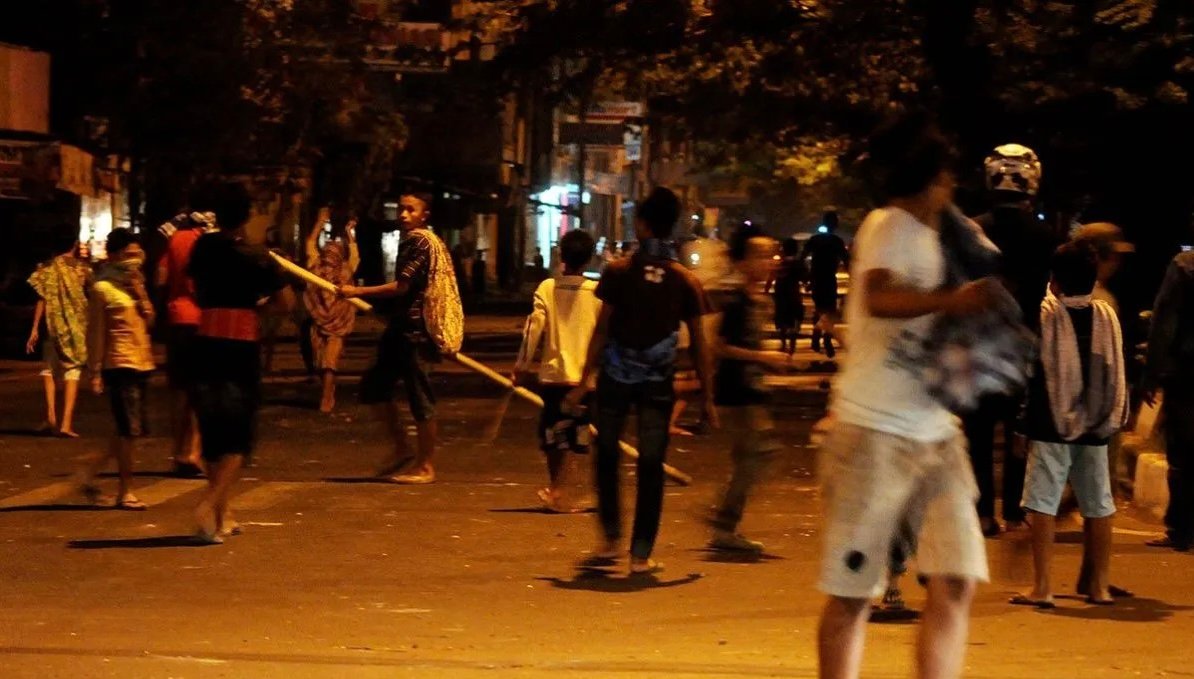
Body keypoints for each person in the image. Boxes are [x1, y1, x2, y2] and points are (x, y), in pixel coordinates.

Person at [818, 114, 993, 679]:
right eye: (947, 176)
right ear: (932, 177)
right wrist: (950, 301)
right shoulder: (888, 225)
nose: (952, 187)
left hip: (935, 431)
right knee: (854, 591)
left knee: (957, 577)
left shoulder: (939, 236)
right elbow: (879, 297)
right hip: (873, 432)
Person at [565, 187, 716, 575]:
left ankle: (610, 538)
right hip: (656, 383)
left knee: (607, 454)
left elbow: (602, 330)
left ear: (642, 224)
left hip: (615, 377)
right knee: (651, 464)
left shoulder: (618, 272)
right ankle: (640, 553)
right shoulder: (685, 280)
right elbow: (700, 344)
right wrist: (708, 399)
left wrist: (583, 381)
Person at [1011, 243, 1128, 608]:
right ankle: (1100, 586)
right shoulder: (1106, 316)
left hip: (1051, 424)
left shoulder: (1045, 316)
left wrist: (1021, 427)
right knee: (1098, 504)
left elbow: (1031, 375)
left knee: (1042, 503)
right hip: (1097, 423)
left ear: (1054, 281)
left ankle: (1043, 587)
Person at [188, 181, 291, 543]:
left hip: (205, 342)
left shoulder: (203, 248)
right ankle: (210, 504)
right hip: (239, 348)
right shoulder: (258, 257)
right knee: (238, 437)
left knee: (213, 430)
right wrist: (257, 307)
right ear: (247, 215)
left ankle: (222, 516)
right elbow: (286, 303)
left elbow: (195, 289)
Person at [965, 143, 1054, 537]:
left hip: (978, 345)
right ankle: (1016, 511)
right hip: (1025, 346)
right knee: (1020, 431)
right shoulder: (1044, 235)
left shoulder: (972, 229)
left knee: (979, 436)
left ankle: (983, 513)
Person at [343, 194, 443, 485]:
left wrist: (357, 292)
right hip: (400, 328)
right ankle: (402, 447)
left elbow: (402, 287)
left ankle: (425, 466)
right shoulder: (410, 239)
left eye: (411, 210)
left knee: (421, 399)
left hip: (416, 331)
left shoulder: (420, 242)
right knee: (374, 387)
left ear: (424, 214)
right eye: (401, 208)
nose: (404, 214)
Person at [707, 225, 791, 552]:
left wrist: (769, 363)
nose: (768, 261)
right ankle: (723, 521)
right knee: (758, 456)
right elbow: (719, 346)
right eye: (760, 255)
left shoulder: (760, 301)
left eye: (771, 255)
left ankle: (723, 519)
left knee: (752, 458)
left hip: (753, 391)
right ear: (741, 262)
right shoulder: (736, 302)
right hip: (736, 392)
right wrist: (762, 357)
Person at [513, 230, 602, 513]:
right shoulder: (597, 293)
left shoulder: (548, 288)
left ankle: (560, 491)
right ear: (590, 258)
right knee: (576, 436)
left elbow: (533, 329)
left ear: (561, 255)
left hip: (554, 377)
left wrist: (522, 366)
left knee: (553, 435)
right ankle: (561, 492)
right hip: (584, 381)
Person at [74, 228, 155, 509]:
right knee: (128, 431)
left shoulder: (135, 282)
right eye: (128, 254)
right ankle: (126, 491)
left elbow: (150, 320)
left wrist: (140, 293)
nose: (135, 258)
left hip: (142, 361)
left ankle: (89, 470)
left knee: (131, 430)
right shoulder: (102, 288)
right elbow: (96, 333)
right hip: (119, 363)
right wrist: (95, 371)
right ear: (114, 256)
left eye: (137, 253)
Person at [1141, 245, 1194, 552]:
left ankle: (1181, 530)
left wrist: (1151, 375)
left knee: (1183, 453)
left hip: (1187, 374)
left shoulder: (1184, 265)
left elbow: (1164, 322)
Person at [155, 208, 214, 477]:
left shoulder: (174, 240)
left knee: (179, 390)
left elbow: (160, 277)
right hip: (202, 319)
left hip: (177, 318)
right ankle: (194, 452)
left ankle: (178, 452)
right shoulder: (207, 242)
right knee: (202, 389)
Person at [26, 232, 92, 438]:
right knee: (72, 371)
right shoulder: (83, 269)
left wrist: (34, 329)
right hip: (76, 329)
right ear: (74, 244)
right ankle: (66, 424)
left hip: (52, 327)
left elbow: (42, 299)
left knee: (49, 370)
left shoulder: (45, 269)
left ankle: (51, 417)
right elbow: (90, 295)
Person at [304, 207, 359, 413]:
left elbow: (354, 254)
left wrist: (350, 233)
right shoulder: (315, 268)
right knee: (320, 361)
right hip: (318, 321)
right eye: (327, 250)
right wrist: (320, 222)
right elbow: (310, 244)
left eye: (335, 252)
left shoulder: (346, 270)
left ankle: (327, 397)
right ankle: (328, 388)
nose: (330, 255)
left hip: (339, 324)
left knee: (330, 361)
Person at [803, 211, 848, 358]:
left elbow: (802, 257)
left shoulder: (814, 240)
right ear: (835, 224)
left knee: (819, 308)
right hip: (829, 279)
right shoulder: (837, 242)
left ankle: (816, 336)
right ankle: (826, 338)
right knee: (830, 310)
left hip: (816, 280)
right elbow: (847, 261)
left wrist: (807, 278)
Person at [768, 237, 807, 355]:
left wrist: (766, 290)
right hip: (794, 294)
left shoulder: (780, 263)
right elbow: (805, 278)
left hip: (780, 294)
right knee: (794, 320)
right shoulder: (799, 264)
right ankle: (792, 346)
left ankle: (783, 344)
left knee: (782, 320)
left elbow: (771, 277)